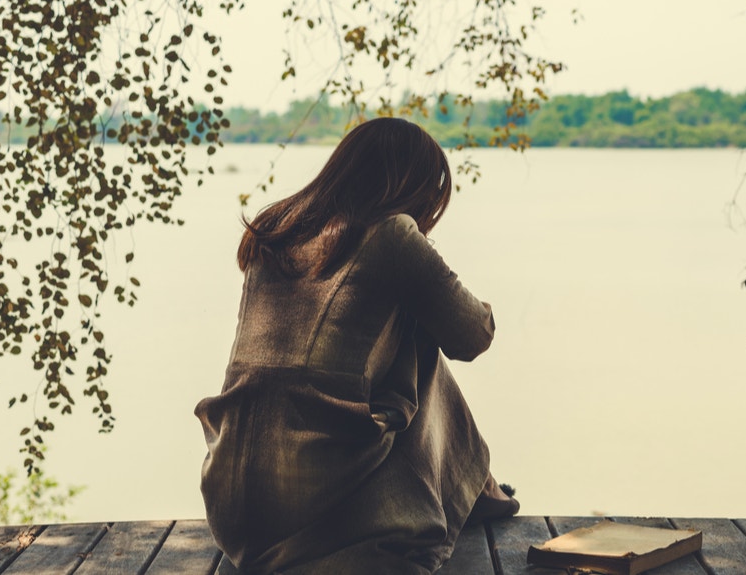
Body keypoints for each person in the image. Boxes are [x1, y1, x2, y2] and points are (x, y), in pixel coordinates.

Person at [195, 117, 519, 574]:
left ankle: (478, 487)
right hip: (309, 498)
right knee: (422, 338)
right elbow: (471, 335)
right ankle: (477, 488)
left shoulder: (275, 226)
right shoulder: (390, 234)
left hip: (232, 500)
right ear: (412, 187)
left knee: (401, 327)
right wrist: (430, 289)